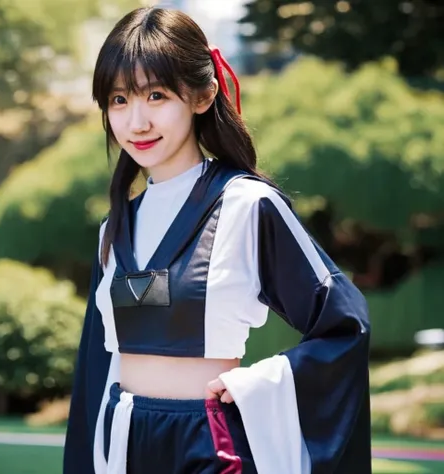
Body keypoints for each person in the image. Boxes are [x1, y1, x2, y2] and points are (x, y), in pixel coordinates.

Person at [63, 6, 371, 474]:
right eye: (119, 100)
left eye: (157, 95)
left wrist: (257, 384)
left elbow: (344, 326)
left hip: (211, 442)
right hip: (123, 441)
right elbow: (95, 367)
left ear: (203, 96)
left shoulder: (248, 206)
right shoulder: (115, 227)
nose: (137, 121)